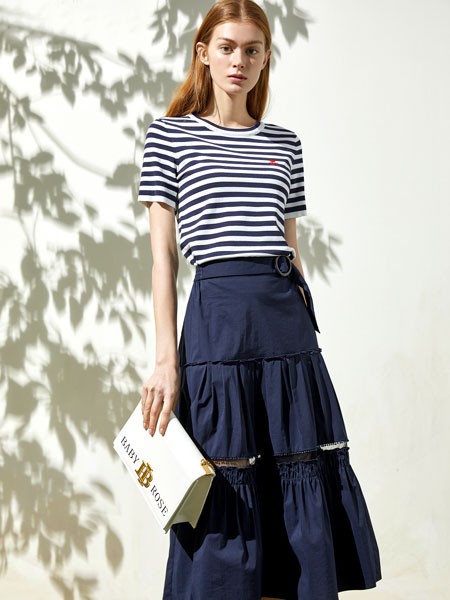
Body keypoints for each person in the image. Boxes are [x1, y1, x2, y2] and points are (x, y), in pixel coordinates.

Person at [138, 1, 382, 598]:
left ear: (266, 57)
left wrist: (306, 342)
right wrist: (166, 360)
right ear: (203, 53)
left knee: (288, 485)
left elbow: (290, 251)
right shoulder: (169, 136)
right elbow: (164, 259)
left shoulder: (285, 144)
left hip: (286, 331)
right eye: (226, 48)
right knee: (221, 487)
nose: (239, 61)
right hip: (217, 327)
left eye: (252, 50)